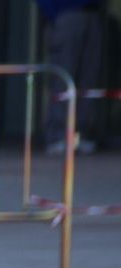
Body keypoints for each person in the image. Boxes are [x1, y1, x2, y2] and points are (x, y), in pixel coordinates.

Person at [39, 0, 103, 154]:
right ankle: (58, 135)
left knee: (88, 78)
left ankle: (80, 134)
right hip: (65, 13)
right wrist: (53, 13)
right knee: (63, 78)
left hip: (91, 11)